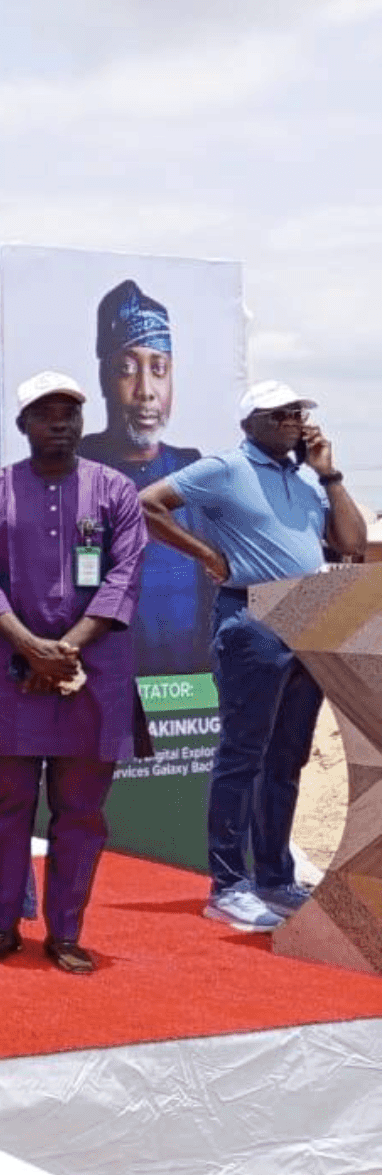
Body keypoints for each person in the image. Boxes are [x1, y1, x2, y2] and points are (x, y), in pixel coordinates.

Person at [139, 380, 367, 931]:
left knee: (286, 757)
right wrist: (207, 554)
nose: (296, 421)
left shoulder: (307, 482)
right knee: (243, 754)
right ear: (252, 423)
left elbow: (353, 540)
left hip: (310, 617)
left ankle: (273, 876)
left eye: (300, 412)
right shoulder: (224, 469)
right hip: (251, 620)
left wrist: (329, 473)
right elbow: (148, 505)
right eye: (283, 414)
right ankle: (226, 885)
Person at [0, 372, 148, 974]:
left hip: (94, 674)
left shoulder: (115, 490)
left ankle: (66, 932)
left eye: (70, 412)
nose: (60, 423)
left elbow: (124, 575)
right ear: (23, 425)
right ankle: (3, 926)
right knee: (7, 805)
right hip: (9, 673)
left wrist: (65, 647)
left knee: (81, 811)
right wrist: (29, 646)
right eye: (45, 413)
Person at [76, 280, 212, 675]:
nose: (146, 392)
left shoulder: (192, 470)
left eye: (159, 369)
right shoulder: (78, 465)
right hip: (102, 671)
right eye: (127, 369)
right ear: (104, 378)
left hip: (188, 681)